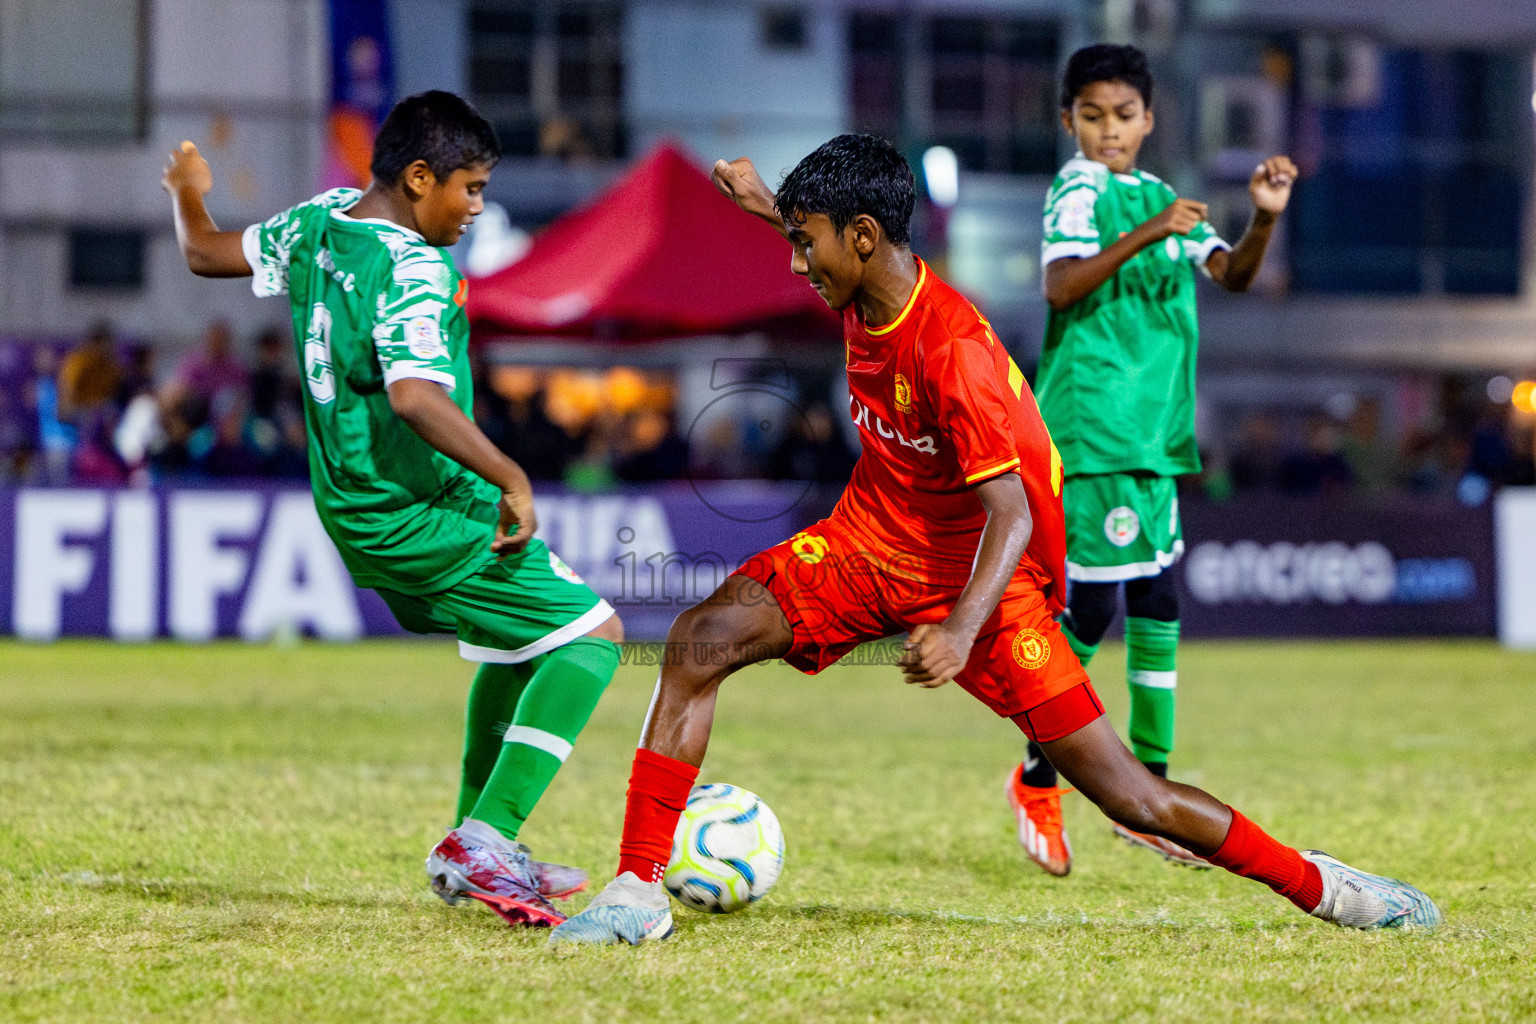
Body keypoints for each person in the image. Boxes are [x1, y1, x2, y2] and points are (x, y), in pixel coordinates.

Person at [549, 134, 1440, 945]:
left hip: (982, 585)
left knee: (1132, 797)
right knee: (698, 641)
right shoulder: (859, 272)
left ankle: (1328, 886)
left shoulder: (954, 353)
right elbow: (816, 225)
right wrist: (763, 197)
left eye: (804, 242)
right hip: (865, 545)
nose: (796, 262)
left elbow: (1010, 515)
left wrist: (959, 631)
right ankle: (637, 889)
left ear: (862, 237)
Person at [162, 90, 624, 929]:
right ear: (419, 178)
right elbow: (415, 396)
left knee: (520, 647)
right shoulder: (415, 265)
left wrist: (187, 188)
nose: (477, 208)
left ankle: (475, 848)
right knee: (596, 641)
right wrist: (509, 469)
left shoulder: (321, 221)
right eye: (470, 188)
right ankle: (486, 837)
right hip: (413, 507)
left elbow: (204, 251)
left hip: (366, 498)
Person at [1007, 44, 1299, 875]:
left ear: (1149, 119)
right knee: (1094, 613)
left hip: (1155, 437)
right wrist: (1146, 233)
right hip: (1093, 427)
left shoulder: (1166, 199)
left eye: (1124, 115)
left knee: (1161, 599)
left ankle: (1152, 792)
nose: (1110, 130)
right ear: (1069, 120)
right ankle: (1036, 775)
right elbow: (1061, 287)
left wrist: (1265, 217)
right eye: (1092, 115)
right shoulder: (1079, 189)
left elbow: (1231, 275)